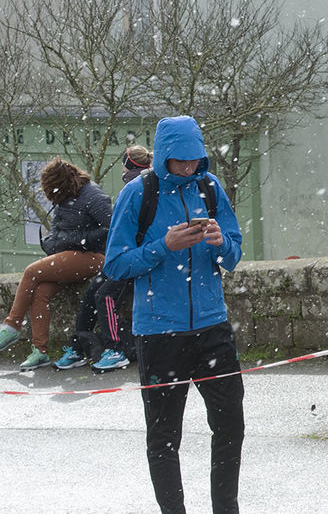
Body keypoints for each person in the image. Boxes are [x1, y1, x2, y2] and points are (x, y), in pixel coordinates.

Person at [103, 116, 244, 514]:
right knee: (165, 437)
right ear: (163, 156)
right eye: (180, 161)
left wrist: (220, 243)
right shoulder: (137, 194)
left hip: (213, 327)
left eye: (195, 160)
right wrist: (162, 246)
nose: (187, 168)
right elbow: (114, 266)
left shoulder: (210, 188)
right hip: (159, 334)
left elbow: (233, 254)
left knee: (231, 426)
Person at [0, 157, 111, 370]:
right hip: (71, 255)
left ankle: (12, 325)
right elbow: (59, 231)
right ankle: (40, 351)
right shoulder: (66, 197)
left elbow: (111, 228)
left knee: (31, 271)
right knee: (41, 292)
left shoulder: (93, 197)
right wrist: (52, 243)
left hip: (95, 256)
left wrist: (78, 239)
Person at [55, 145, 153, 372]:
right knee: (92, 292)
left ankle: (116, 349)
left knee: (105, 296)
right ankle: (79, 347)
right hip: (122, 256)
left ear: (127, 165)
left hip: (134, 258)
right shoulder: (138, 186)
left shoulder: (140, 188)